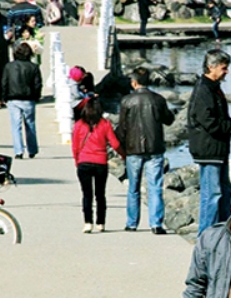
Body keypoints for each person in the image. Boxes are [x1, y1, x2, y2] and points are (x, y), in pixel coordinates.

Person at [188, 48, 231, 235]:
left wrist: (230, 125)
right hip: (209, 149)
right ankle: (206, 235)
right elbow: (207, 121)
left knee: (225, 192)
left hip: (217, 149)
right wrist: (230, 128)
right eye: (223, 68)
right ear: (211, 67)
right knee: (212, 194)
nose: (226, 71)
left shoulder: (213, 88)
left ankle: (223, 232)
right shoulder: (204, 89)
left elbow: (217, 116)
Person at [115, 66, 175, 234]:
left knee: (133, 188)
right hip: (155, 147)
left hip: (133, 148)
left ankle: (132, 223)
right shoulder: (158, 99)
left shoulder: (127, 101)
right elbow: (168, 120)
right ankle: (156, 224)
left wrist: (120, 146)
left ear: (134, 83)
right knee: (155, 187)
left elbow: (122, 127)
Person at [71, 96, 122, 233]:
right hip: (100, 162)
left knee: (86, 194)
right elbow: (115, 143)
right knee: (100, 194)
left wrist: (77, 161)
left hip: (84, 161)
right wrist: (123, 155)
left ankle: (88, 222)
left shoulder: (79, 125)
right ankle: (101, 222)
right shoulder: (105, 124)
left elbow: (75, 146)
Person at [2, 42, 43, 159]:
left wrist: (4, 96)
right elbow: (37, 84)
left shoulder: (9, 66)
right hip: (29, 99)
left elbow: (4, 82)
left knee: (16, 126)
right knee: (30, 124)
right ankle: (32, 149)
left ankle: (18, 151)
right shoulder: (34, 67)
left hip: (13, 98)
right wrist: (37, 96)